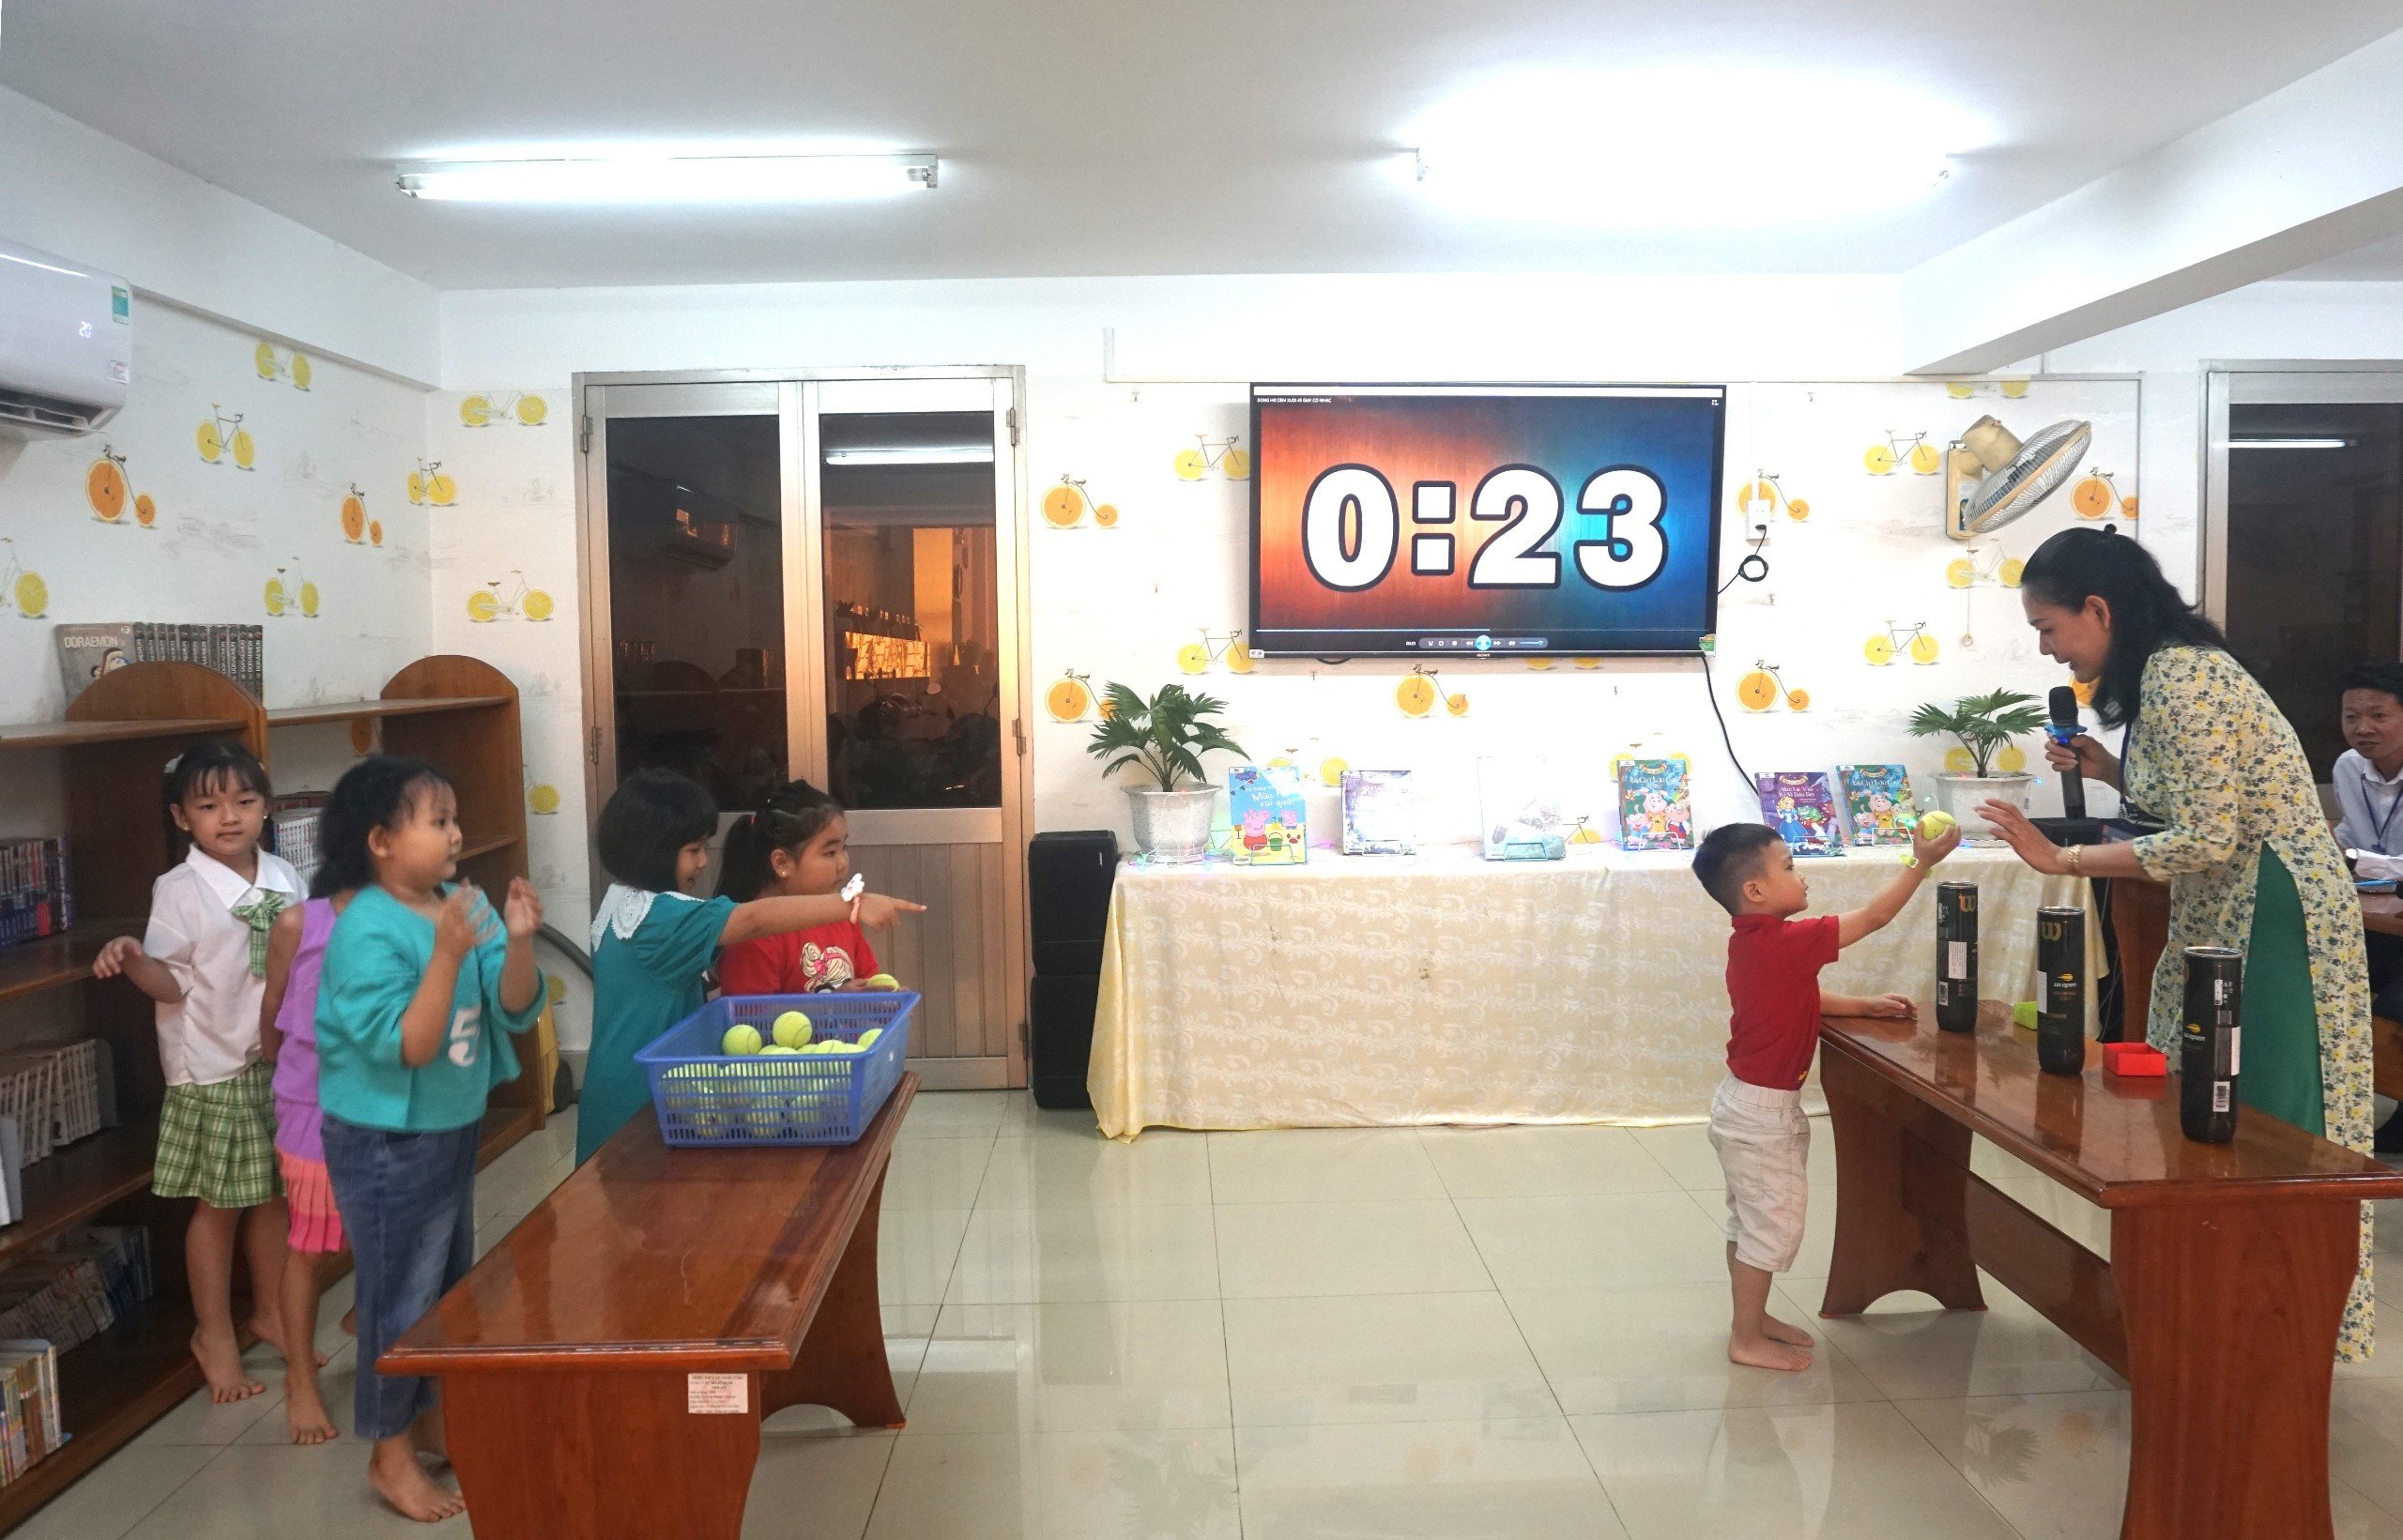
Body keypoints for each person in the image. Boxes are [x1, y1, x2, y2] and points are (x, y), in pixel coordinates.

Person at [1979, 526, 2375, 1359]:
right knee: (2210, 1097)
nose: (2048, 649)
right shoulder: (2170, 669)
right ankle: (2220, 1300)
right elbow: (2202, 800)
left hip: (2269, 904)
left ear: (2098, 608)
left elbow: (2207, 834)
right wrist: (2109, 768)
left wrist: (2063, 857)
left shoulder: (2182, 675)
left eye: (2049, 628)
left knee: (2266, 1110)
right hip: (2234, 897)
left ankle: (2280, 1323)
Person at [314, 755, 546, 1521]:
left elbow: (514, 1007)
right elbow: (410, 1045)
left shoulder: (459, 903)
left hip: (450, 1123)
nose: (455, 833)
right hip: (387, 1137)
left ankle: (432, 1421)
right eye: (437, 821)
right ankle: (389, 1454)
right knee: (397, 1297)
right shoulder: (365, 929)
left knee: (446, 1288)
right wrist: (446, 952)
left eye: (454, 819)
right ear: (382, 840)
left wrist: (517, 941)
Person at [1690, 816, 1959, 1371]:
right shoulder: (1790, 941)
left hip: (1743, 1105)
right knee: (1771, 1227)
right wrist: (1921, 863)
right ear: (1755, 891)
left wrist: (1862, 1005)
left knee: (1748, 1222)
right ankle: (1746, 1338)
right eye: (1790, 867)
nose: (1803, 876)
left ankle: (1753, 1319)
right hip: (1763, 1117)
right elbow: (1877, 916)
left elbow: (1797, 996)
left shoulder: (1754, 944)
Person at [91, 741, 302, 1404]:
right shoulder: (179, 890)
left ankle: (270, 1312)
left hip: (275, 1058)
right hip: (212, 1065)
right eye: (209, 806)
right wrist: (134, 958)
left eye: (244, 801)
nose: (229, 816)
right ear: (182, 817)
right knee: (219, 1206)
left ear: (266, 807)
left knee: (273, 1194)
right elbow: (171, 983)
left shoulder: (284, 875)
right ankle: (213, 1334)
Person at [579, 769, 926, 1165]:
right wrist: (855, 904)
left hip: (617, 1085)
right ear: (651, 851)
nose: (703, 861)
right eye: (693, 849)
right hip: (642, 1099)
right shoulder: (662, 918)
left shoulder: (623, 904)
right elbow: (753, 920)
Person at [256, 869, 356, 1445]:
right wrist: (289, 1077)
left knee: (388, 1229)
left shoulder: (413, 914)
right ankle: (300, 1376)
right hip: (312, 1106)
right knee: (311, 1246)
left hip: (386, 1103)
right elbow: (273, 1007)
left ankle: (369, 1318)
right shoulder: (299, 922)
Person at [715, 780, 888, 995]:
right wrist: (833, 1004)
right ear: (782, 863)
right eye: (830, 853)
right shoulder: (753, 936)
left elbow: (868, 981)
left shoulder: (839, 914)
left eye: (844, 847)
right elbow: (750, 1013)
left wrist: (884, 997)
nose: (843, 863)